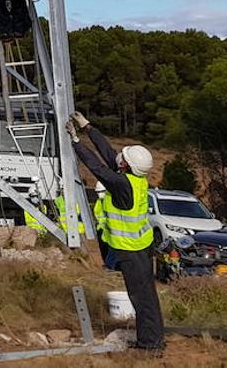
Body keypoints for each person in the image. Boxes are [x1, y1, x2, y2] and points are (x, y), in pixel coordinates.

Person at [69, 111, 164, 353]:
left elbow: (98, 167)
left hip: (131, 250)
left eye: (122, 159)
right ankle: (153, 339)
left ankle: (150, 344)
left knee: (141, 298)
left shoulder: (122, 184)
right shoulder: (134, 178)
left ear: (126, 166)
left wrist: (77, 143)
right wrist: (88, 128)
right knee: (147, 295)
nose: (118, 158)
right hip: (141, 246)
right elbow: (110, 154)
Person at [93, 181, 115, 269]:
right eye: (98, 192)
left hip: (110, 229)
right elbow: (97, 214)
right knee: (105, 250)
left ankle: (110, 266)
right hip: (102, 230)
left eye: (101, 192)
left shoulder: (110, 201)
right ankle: (107, 264)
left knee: (112, 249)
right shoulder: (99, 202)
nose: (99, 194)